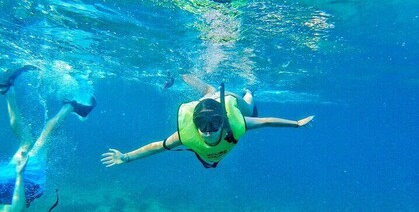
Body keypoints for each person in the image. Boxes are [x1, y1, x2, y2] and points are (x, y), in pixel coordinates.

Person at [101, 74, 314, 169]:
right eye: (202, 125)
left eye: (213, 126)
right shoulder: (187, 134)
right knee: (208, 93)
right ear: (194, 123)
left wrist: (296, 124)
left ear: (223, 122)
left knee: (250, 107)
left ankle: (249, 89)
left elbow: (266, 121)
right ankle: (192, 79)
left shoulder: (236, 123)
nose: (207, 131)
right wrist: (125, 158)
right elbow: (157, 146)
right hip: (208, 105)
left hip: (225, 103)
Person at [0, 66, 96, 212]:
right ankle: (7, 91)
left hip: (25, 182)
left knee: (46, 135)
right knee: (26, 141)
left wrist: (21, 175)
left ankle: (71, 107)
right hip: (2, 183)